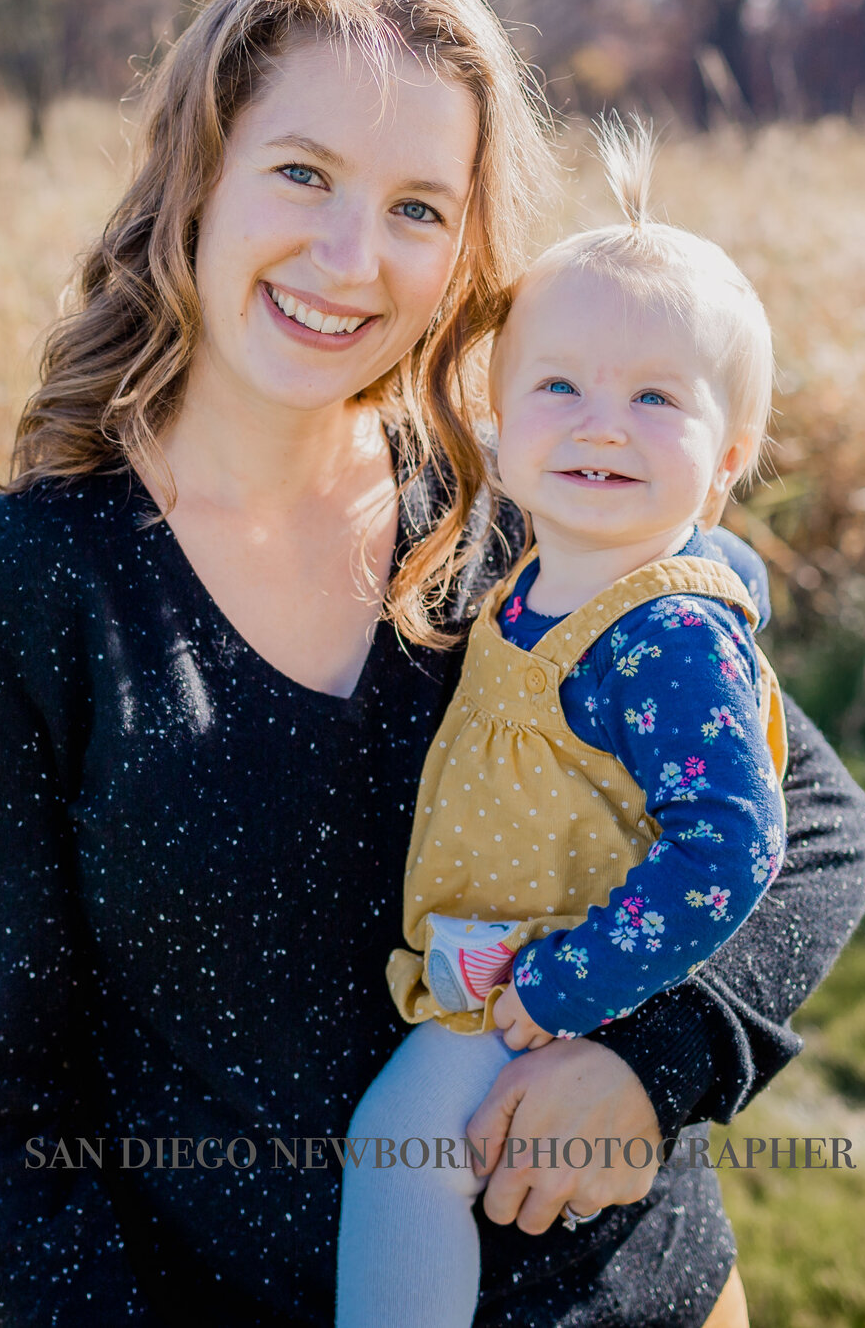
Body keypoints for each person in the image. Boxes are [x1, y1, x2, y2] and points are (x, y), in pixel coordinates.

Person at [0, 0, 865, 1328]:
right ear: (199, 172)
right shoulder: (27, 592)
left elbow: (816, 823)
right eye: (303, 173)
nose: (351, 258)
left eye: (421, 205)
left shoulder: (523, 504)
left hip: (639, 1294)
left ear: (468, 245)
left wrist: (655, 1064)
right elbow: (11, 1136)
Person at [337, 121, 789, 1328]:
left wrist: (564, 984)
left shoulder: (667, 631)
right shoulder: (539, 571)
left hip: (542, 968)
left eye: (654, 397)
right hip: (504, 953)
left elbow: (730, 843)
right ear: (499, 416)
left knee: (402, 1146)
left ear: (726, 455)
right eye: (559, 386)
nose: (599, 424)